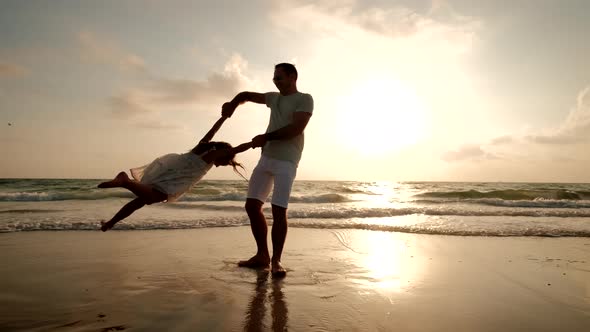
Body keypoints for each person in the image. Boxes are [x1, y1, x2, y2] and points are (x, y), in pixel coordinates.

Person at [222, 63, 314, 278]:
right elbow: (245, 94)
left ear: (292, 77)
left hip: (287, 161)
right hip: (266, 158)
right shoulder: (274, 98)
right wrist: (232, 104)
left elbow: (296, 128)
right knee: (252, 206)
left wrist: (267, 137)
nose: (275, 81)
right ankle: (262, 255)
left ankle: (276, 260)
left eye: (279, 77)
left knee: (278, 209)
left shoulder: (304, 99)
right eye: (274, 77)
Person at [97, 116, 253, 232]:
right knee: (153, 198)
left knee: (141, 201)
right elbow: (237, 149)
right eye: (225, 162)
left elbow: (213, 130)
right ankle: (126, 181)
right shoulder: (213, 155)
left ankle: (111, 222)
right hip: (175, 177)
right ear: (222, 154)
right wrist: (258, 142)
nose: (221, 166)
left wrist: (224, 117)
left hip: (171, 168)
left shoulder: (203, 146)